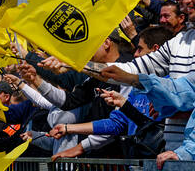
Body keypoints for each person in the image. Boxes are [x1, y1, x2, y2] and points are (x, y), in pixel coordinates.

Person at [49, 26, 173, 160]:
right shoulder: (138, 86)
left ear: (156, 51)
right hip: (137, 165)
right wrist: (68, 129)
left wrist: (72, 64)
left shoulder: (172, 85)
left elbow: (113, 72)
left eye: (140, 49)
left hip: (165, 166)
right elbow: (117, 123)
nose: (135, 54)